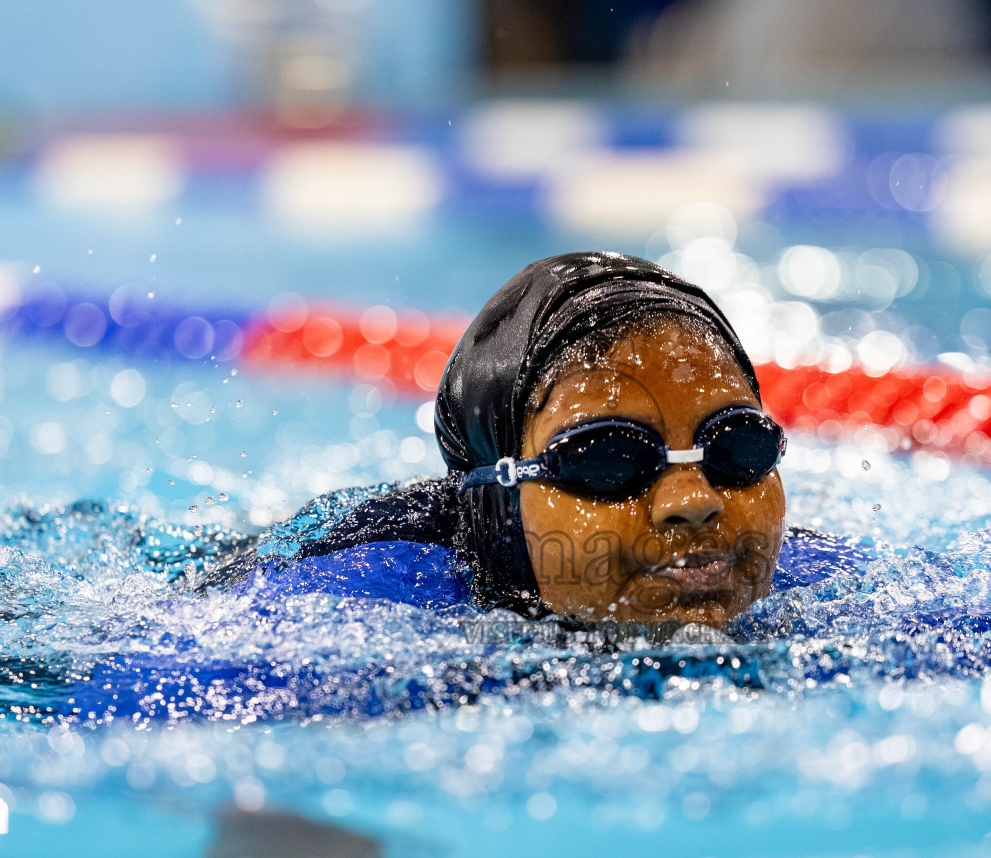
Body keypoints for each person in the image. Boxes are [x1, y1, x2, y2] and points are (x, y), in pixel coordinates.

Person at [203, 251, 860, 629]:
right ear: (497, 500)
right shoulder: (347, 590)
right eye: (608, 458)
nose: (695, 499)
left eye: (736, 448)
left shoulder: (832, 591)